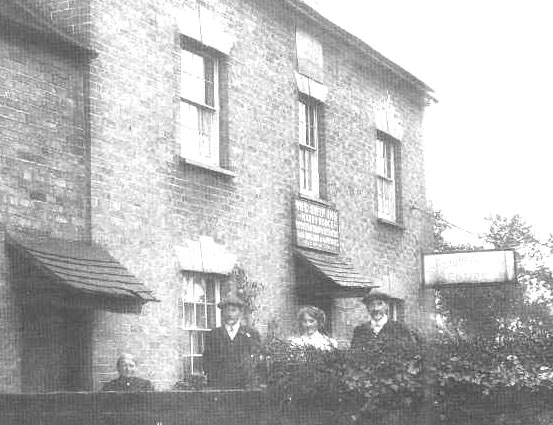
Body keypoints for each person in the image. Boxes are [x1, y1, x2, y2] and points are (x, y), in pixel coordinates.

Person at [202, 293, 261, 388]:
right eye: (227, 311)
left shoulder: (251, 333)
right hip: (220, 386)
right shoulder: (213, 335)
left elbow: (257, 359)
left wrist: (253, 381)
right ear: (222, 313)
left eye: (233, 310)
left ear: (240, 313)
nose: (230, 314)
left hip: (245, 386)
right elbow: (207, 361)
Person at [350, 290, 420, 352]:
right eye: (371, 305)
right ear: (367, 308)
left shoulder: (400, 328)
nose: (376, 309)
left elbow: (412, 354)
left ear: (386, 306)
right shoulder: (360, 331)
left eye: (379, 304)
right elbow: (354, 356)